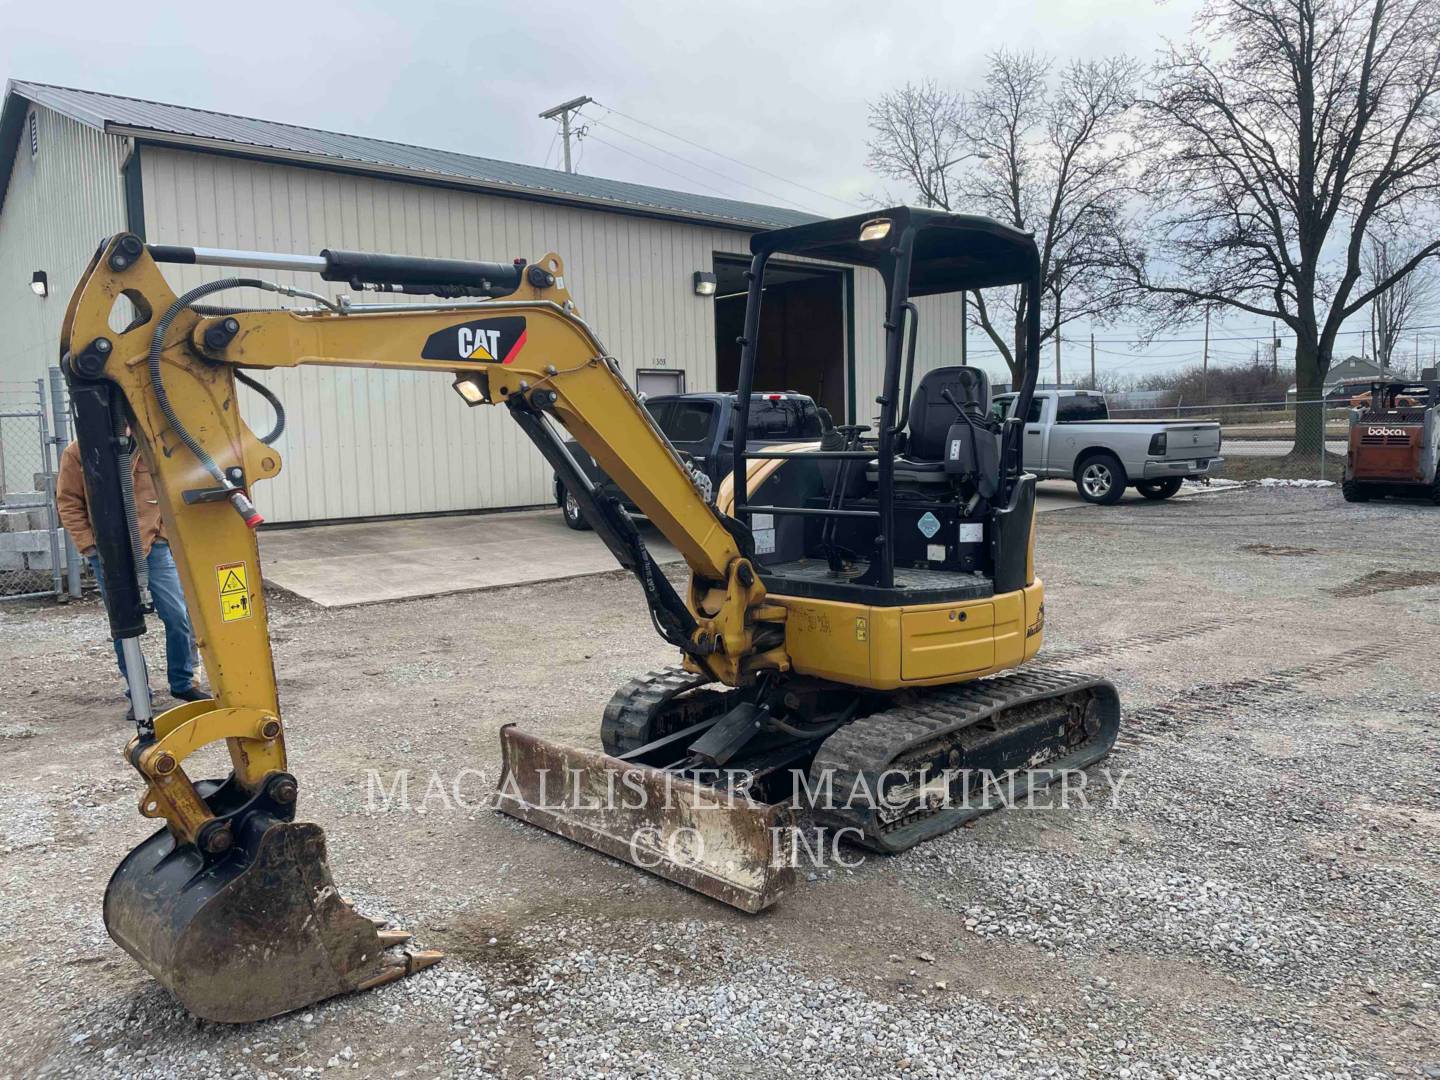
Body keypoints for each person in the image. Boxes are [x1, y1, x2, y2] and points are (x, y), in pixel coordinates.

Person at [56, 439, 207, 720]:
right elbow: (68, 501)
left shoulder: (150, 444)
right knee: (124, 624)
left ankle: (183, 683)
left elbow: (169, 491)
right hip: (107, 552)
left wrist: (162, 536)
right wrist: (89, 546)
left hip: (154, 546)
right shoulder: (80, 451)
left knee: (177, 614)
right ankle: (138, 694)